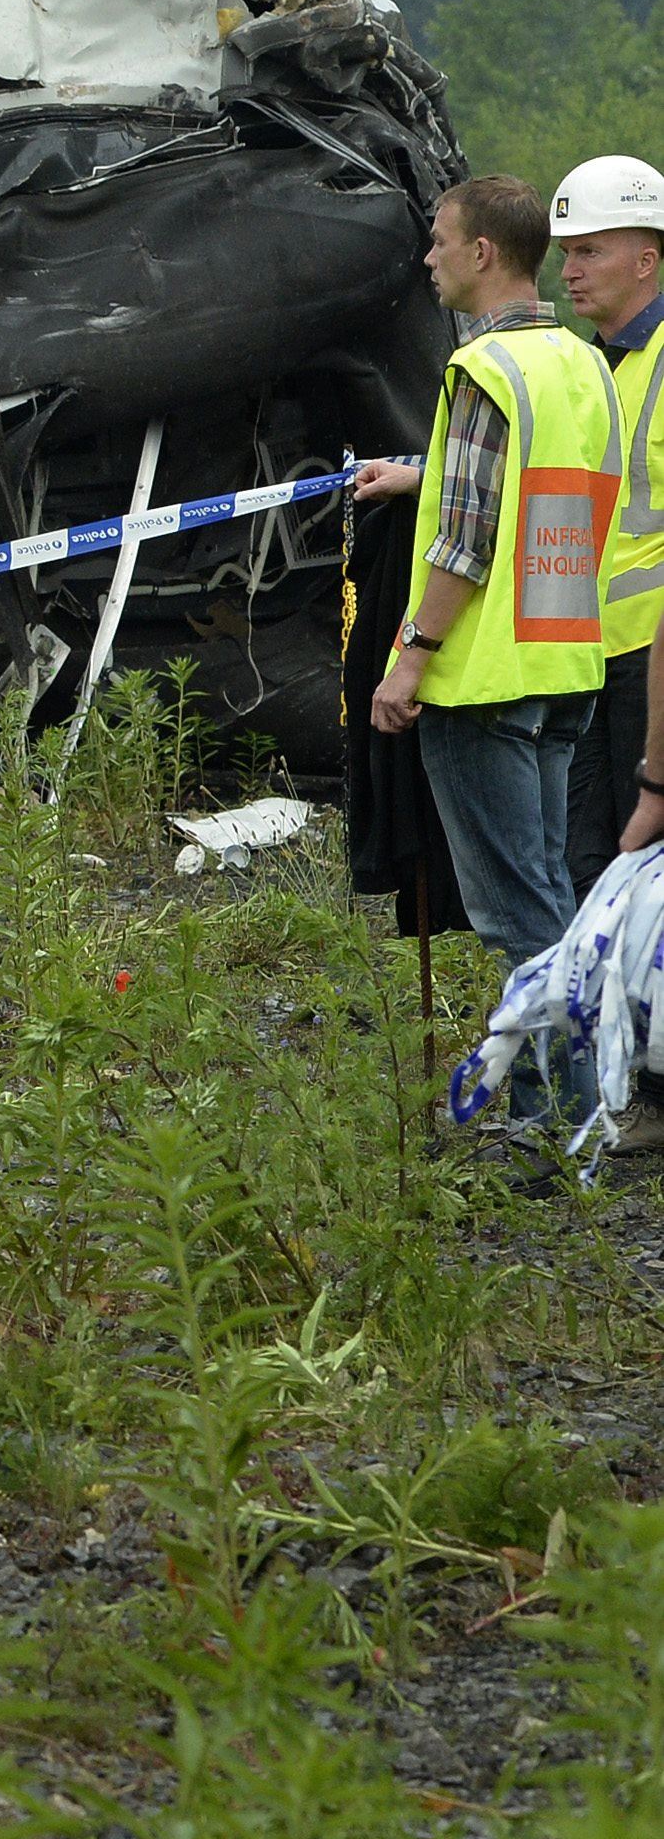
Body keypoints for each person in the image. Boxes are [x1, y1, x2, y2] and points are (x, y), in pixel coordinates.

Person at [358, 174, 618, 1118]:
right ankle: (577, 1112)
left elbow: (466, 536)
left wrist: (411, 655)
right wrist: (418, 474)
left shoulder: (481, 374)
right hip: (566, 666)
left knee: (521, 919)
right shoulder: (582, 364)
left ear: (481, 254)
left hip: (483, 681)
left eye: (438, 240)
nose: (427, 257)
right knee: (549, 896)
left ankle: (556, 1127)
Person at [559, 157, 664, 884]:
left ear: (646, 259)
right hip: (583, 657)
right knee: (586, 869)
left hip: (650, 661)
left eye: (589, 249)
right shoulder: (591, 366)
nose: (569, 269)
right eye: (565, 252)